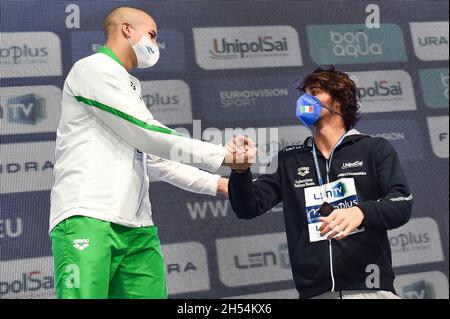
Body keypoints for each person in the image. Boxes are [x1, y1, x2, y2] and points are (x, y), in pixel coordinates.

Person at [49, 6, 252, 299]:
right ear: (127, 30)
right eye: (153, 35)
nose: (155, 45)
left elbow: (155, 159)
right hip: (88, 216)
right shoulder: (93, 69)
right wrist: (222, 156)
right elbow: (148, 133)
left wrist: (222, 184)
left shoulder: (128, 85)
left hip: (138, 227)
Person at [227, 65, 413, 299]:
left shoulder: (373, 149)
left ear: (339, 101)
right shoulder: (289, 159)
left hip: (370, 288)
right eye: (303, 94)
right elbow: (247, 207)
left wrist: (361, 212)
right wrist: (241, 170)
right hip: (315, 294)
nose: (305, 99)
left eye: (314, 92)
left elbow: (401, 203)